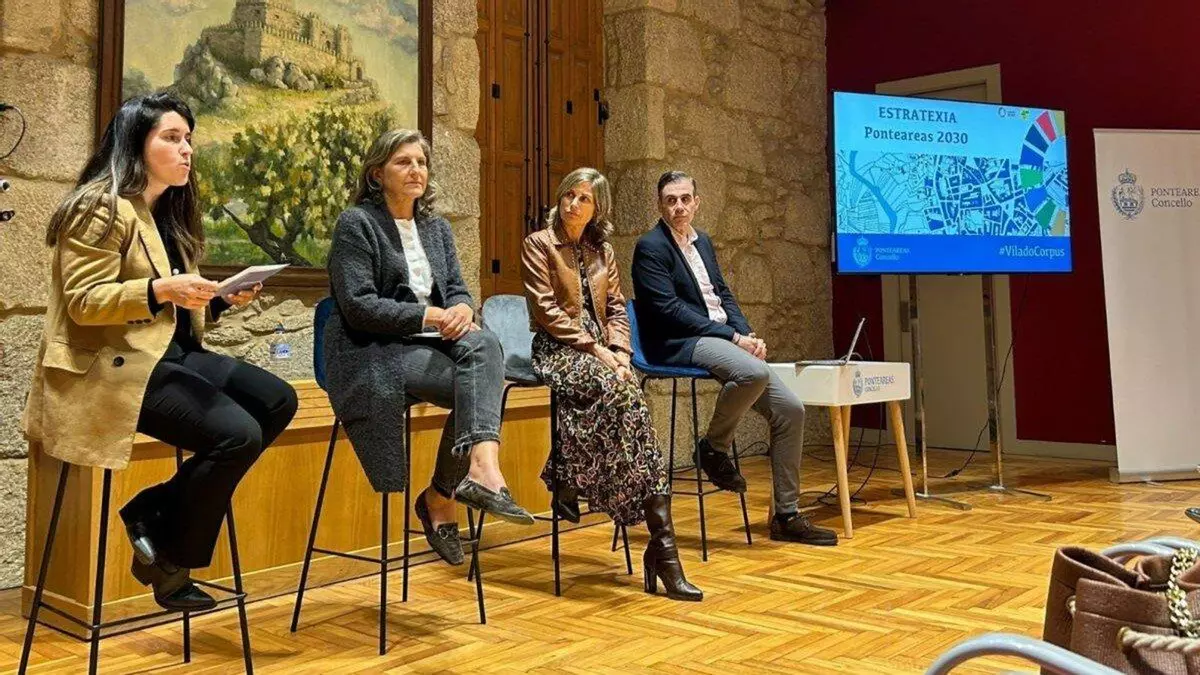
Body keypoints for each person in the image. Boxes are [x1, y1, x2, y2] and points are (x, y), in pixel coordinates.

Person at [22, 92, 299, 611]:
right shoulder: (98, 206)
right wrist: (160, 290)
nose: (187, 149)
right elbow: (83, 302)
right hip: (110, 367)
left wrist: (219, 299)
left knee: (278, 400)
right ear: (135, 144)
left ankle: (151, 514)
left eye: (188, 138)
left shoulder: (166, 213)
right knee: (237, 435)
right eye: (172, 138)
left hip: (167, 356)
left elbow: (171, 311)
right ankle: (171, 557)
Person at [324, 128, 534, 567]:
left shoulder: (435, 228)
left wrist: (461, 308)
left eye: (421, 162)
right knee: (477, 388)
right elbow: (359, 306)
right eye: (404, 162)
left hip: (433, 344)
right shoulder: (356, 224)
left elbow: (457, 288)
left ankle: (470, 476)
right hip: (374, 349)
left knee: (484, 343)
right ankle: (446, 493)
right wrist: (433, 316)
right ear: (377, 173)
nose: (416, 170)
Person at [521, 167, 703, 601]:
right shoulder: (538, 244)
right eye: (569, 195)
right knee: (624, 393)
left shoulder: (603, 250)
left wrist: (621, 351)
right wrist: (599, 351)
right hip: (558, 349)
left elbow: (618, 308)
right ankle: (663, 551)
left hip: (604, 352)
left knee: (627, 396)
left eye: (583, 199)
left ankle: (570, 476)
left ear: (597, 208)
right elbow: (546, 311)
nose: (573, 204)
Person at [631, 170, 837, 546]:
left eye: (685, 199)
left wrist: (748, 335)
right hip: (678, 341)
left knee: (791, 410)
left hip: (719, 337)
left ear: (697, 202)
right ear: (660, 205)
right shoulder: (650, 247)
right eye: (670, 200)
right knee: (753, 373)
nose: (679, 207)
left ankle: (786, 515)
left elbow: (723, 295)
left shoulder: (703, 242)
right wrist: (732, 337)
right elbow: (668, 310)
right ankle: (713, 447)